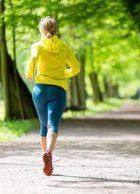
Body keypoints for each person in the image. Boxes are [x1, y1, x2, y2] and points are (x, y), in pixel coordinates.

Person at [26, 16, 80, 176]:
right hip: (58, 90)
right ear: (56, 30)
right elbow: (76, 68)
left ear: (41, 30)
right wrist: (63, 73)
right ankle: (48, 153)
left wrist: (30, 73)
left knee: (43, 126)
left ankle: (46, 156)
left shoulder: (37, 46)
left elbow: (33, 60)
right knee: (52, 125)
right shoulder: (65, 47)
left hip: (40, 90)